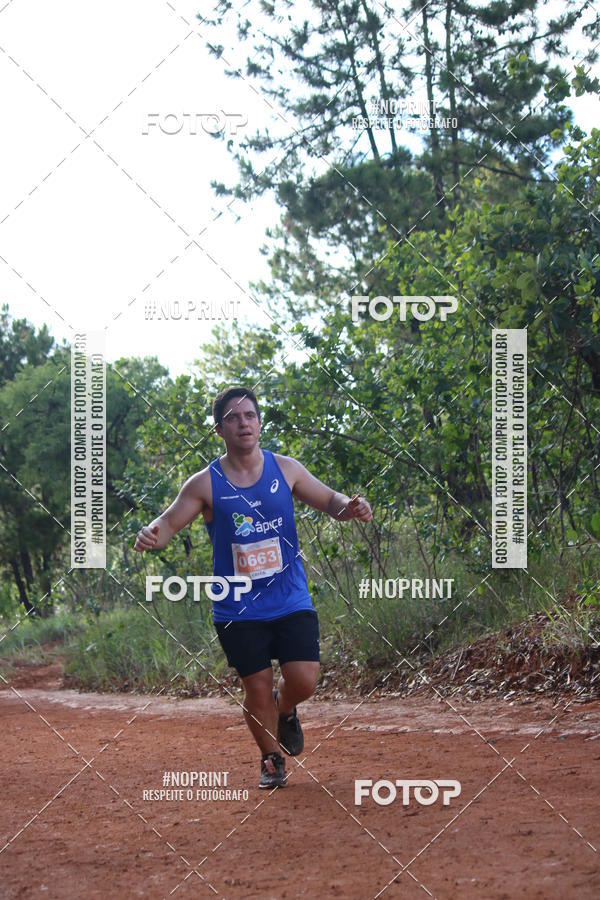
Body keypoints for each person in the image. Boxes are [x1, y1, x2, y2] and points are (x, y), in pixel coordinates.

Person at [135, 387, 372, 788]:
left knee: (304, 680)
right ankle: (271, 759)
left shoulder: (286, 469)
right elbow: (168, 524)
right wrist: (150, 536)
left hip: (289, 596)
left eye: (250, 415)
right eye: (233, 417)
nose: (243, 422)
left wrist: (351, 507)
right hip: (237, 607)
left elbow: (331, 500)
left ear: (259, 423)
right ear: (219, 429)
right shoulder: (204, 484)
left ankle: (286, 709)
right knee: (256, 685)